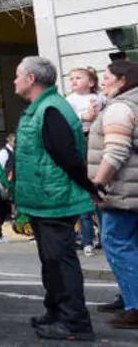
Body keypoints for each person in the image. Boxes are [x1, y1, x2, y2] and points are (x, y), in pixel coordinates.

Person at [13, 56, 98, 341]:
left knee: (61, 262)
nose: (14, 81)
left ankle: (75, 321)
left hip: (55, 200)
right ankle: (56, 311)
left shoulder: (50, 109)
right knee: (51, 262)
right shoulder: (42, 108)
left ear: (31, 79)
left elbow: (68, 156)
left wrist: (88, 187)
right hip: (44, 200)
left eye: (17, 76)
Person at [86, 60, 138, 330]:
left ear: (121, 80)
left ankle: (135, 306)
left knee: (117, 243)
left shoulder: (120, 108)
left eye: (106, 77)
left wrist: (97, 184)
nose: (102, 81)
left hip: (122, 192)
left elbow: (115, 152)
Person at [68, 67, 103, 255]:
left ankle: (100, 238)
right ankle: (87, 239)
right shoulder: (70, 100)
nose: (73, 81)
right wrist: (83, 116)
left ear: (90, 82)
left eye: (78, 78)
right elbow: (68, 117)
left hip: (98, 136)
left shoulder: (100, 97)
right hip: (82, 135)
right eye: (71, 78)